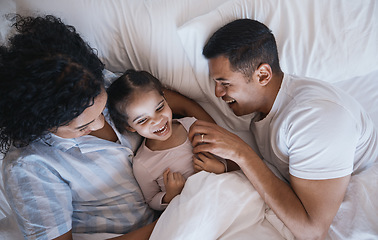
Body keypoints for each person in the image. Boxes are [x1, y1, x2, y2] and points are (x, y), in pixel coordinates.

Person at [0, 15, 215, 240]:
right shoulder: (30, 167)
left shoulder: (92, 80)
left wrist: (219, 143)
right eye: (83, 126)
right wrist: (178, 216)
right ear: (44, 126)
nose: (102, 122)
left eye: (102, 108)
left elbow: (179, 103)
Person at [188, 19, 378, 239]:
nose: (218, 93)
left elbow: (313, 231)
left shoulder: (314, 119)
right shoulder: (267, 106)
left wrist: (241, 153)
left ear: (262, 75)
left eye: (225, 83)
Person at [107, 70, 226, 211]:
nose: (157, 120)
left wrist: (219, 168)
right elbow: (151, 200)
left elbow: (223, 155)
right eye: (143, 120)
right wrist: (170, 196)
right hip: (192, 209)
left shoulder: (192, 126)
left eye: (159, 107)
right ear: (130, 127)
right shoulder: (143, 164)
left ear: (165, 98)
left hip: (221, 194)